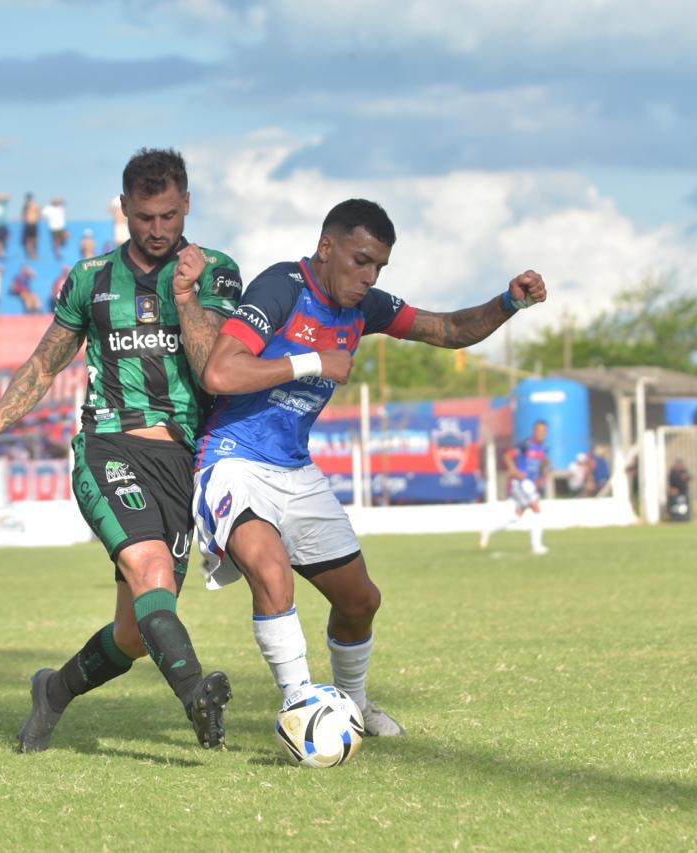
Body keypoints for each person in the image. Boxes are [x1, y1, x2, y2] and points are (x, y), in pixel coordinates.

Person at [193, 198, 546, 736]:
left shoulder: (367, 307)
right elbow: (220, 372)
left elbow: (446, 329)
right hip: (232, 458)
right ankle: (302, 709)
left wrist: (507, 303)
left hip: (294, 469)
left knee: (361, 601)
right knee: (271, 575)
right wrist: (314, 362)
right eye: (360, 260)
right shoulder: (281, 286)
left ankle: (352, 707)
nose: (368, 276)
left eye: (379, 266)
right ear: (326, 247)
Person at [0, 148, 244, 753]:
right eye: (144, 217)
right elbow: (44, 361)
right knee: (149, 568)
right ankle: (195, 694)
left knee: (136, 634)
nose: (158, 230)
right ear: (124, 211)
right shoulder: (89, 279)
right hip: (110, 446)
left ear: (186, 205)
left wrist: (186, 298)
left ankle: (53, 691)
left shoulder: (214, 270)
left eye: (168, 215)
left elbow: (214, 365)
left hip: (183, 462)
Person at [480, 419, 552, 554]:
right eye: (539, 430)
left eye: (544, 431)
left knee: (516, 516)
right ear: (534, 431)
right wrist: (515, 471)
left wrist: (542, 474)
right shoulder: (525, 445)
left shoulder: (545, 448)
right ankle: (537, 546)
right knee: (536, 508)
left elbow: (541, 464)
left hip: (530, 484)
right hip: (520, 483)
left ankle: (489, 529)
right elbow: (507, 456)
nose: (541, 433)